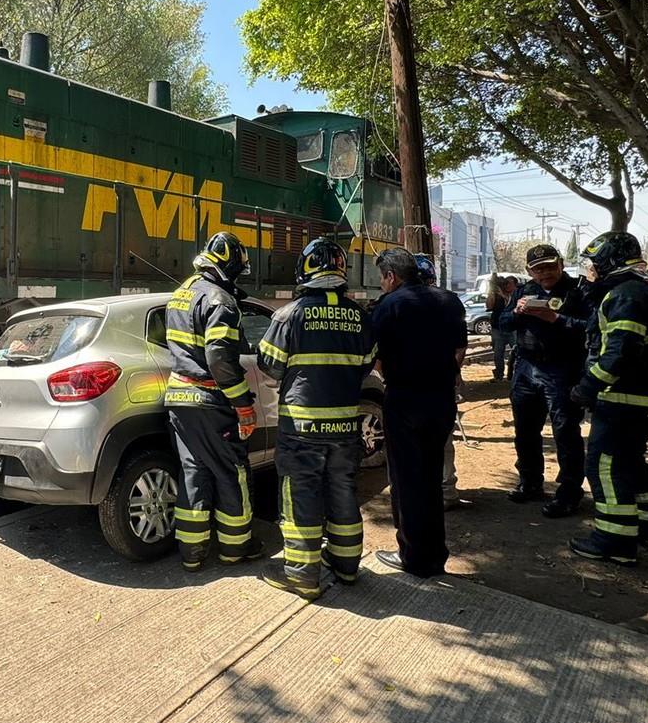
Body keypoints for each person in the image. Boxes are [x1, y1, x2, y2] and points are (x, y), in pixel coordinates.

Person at [257, 237, 376, 599]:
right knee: (342, 491)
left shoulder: (289, 314)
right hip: (344, 426)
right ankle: (346, 567)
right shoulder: (359, 316)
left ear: (305, 270)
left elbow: (269, 364)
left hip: (301, 428)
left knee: (301, 496)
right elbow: (366, 363)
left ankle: (302, 575)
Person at [568, 232, 648, 564]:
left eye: (594, 264)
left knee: (603, 466)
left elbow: (621, 351)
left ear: (610, 261)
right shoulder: (639, 291)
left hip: (623, 397)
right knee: (631, 462)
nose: (590, 271)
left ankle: (614, 539)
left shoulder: (624, 294)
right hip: (641, 397)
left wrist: (588, 386)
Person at [165, 231, 264, 571]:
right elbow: (220, 359)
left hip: (179, 398)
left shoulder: (181, 294)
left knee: (193, 471)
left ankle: (191, 554)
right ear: (230, 265)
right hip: (210, 400)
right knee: (230, 472)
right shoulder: (220, 300)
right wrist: (242, 404)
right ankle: (236, 549)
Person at [371, 247, 468, 576]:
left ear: (391, 276)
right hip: (441, 400)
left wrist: (396, 378)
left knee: (406, 481)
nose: (382, 284)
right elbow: (459, 351)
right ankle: (435, 554)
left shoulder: (388, 306)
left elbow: (377, 357)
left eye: (382, 278)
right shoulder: (449, 300)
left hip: (405, 401)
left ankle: (413, 557)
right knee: (430, 476)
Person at [500, 244, 591, 517]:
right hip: (527, 367)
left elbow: (592, 328)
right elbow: (502, 323)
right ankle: (530, 482)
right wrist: (516, 312)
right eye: (538, 269)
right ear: (529, 271)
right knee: (525, 431)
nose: (545, 273)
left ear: (561, 264)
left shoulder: (579, 290)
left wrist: (556, 319)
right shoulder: (524, 291)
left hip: (563, 370)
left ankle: (569, 491)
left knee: (565, 432)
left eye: (550, 266)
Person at [415, 254, 470, 511]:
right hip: (442, 385)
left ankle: (420, 492)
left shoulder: (394, 303)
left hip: (408, 387)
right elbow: (460, 347)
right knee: (443, 440)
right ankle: (446, 492)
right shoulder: (450, 301)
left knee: (412, 441)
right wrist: (451, 371)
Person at [488, 275, 519, 382]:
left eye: (509, 283)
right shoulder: (497, 295)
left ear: (515, 285)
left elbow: (511, 304)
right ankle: (499, 375)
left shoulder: (518, 294)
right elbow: (489, 306)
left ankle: (517, 375)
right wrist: (492, 291)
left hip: (513, 328)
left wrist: (502, 295)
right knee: (498, 353)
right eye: (505, 283)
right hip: (498, 327)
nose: (506, 285)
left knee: (518, 352)